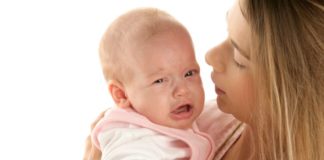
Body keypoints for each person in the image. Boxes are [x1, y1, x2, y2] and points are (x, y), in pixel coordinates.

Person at [84, 0, 324, 159]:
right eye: (228, 34)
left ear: (296, 92)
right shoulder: (179, 123)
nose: (209, 56)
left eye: (239, 57)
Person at [90, 8, 216, 160]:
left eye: (189, 73)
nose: (182, 90)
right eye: (160, 81)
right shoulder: (132, 142)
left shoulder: (163, 120)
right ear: (121, 95)